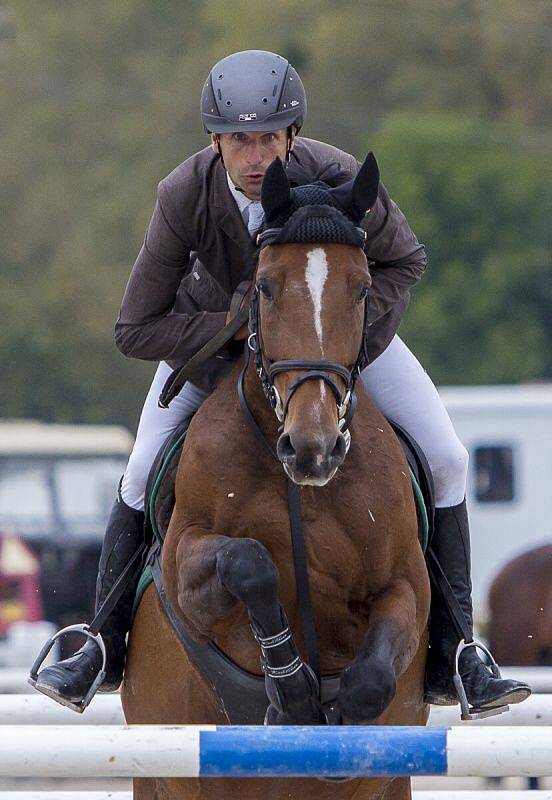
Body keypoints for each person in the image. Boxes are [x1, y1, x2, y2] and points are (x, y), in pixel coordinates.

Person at [32, 49, 530, 713]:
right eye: (239, 140)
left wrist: (340, 342)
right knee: (138, 468)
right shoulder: (184, 194)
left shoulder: (338, 177)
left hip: (333, 342)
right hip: (215, 351)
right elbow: (135, 327)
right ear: (216, 141)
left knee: (447, 457)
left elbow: (405, 261)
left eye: (268, 137)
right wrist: (237, 325)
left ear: (291, 135)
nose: (254, 155)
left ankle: (460, 651)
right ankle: (101, 642)